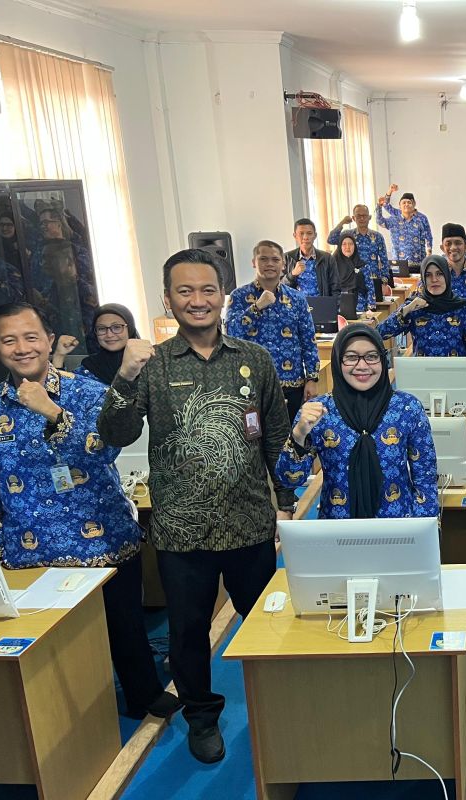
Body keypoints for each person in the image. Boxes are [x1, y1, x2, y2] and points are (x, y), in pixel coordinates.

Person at [97, 249, 295, 764]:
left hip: (249, 522)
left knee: (269, 619)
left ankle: (281, 701)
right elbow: (116, 434)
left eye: (207, 289)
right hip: (182, 532)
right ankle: (201, 716)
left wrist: (286, 500)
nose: (198, 300)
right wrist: (124, 377)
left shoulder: (255, 358)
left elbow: (275, 434)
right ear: (168, 299)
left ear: (223, 295)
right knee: (187, 633)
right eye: (185, 291)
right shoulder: (152, 364)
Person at [0, 301, 179, 721]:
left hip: (103, 537)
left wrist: (52, 412)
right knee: (56, 651)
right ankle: (75, 721)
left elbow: (104, 452)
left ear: (49, 341)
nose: (22, 348)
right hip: (30, 549)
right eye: (9, 340)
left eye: (31, 337)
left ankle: (143, 692)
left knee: (126, 627)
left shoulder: (88, 392)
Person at [277, 324, 440, 518]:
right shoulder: (319, 411)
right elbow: (290, 480)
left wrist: (423, 529)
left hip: (398, 525)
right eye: (351, 357)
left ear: (382, 360)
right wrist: (298, 435)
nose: (362, 366)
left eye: (371, 356)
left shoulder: (407, 408)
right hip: (338, 528)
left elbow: (425, 479)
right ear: (338, 361)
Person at [225, 240, 320, 423]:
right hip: (252, 384)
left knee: (292, 434)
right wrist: (256, 307)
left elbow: (308, 340)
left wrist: (312, 379)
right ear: (254, 262)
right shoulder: (239, 296)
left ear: (283, 264)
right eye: (263, 259)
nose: (269, 264)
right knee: (255, 435)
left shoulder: (297, 298)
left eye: (275, 260)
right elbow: (231, 335)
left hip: (291, 382)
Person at [374, 255, 466, 357]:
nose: (434, 279)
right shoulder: (415, 306)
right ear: (423, 279)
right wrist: (407, 309)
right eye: (428, 275)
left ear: (447, 276)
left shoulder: (464, 308)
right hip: (421, 368)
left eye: (439, 274)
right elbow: (379, 334)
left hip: (456, 369)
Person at [52, 303, 140, 385]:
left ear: (130, 329)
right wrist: (59, 355)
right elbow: (62, 391)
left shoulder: (144, 362)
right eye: (101, 329)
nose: (109, 335)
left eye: (117, 327)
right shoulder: (89, 367)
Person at [326, 204, 392, 286]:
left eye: (364, 216)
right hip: (351, 282)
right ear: (354, 218)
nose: (362, 218)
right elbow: (331, 240)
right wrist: (342, 223)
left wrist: (384, 282)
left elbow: (384, 261)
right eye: (358, 216)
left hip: (373, 281)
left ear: (369, 217)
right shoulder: (347, 235)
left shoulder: (378, 237)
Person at [283, 219, 341, 297]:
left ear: (315, 235)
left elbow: (335, 288)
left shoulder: (327, 258)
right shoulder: (287, 258)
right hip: (296, 303)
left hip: (322, 302)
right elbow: (278, 286)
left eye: (309, 233)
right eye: (301, 233)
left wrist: (333, 304)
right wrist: (292, 274)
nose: (305, 237)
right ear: (295, 236)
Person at [376, 185, 432, 264]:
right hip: (399, 261)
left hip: (418, 261)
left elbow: (428, 237)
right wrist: (388, 193)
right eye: (404, 203)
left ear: (414, 204)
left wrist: (428, 254)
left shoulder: (421, 219)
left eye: (409, 202)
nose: (406, 204)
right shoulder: (395, 218)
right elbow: (384, 209)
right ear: (399, 206)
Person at [332, 232, 377, 311]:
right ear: (340, 247)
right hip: (338, 307)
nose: (347, 247)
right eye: (344, 244)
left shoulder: (363, 266)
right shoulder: (333, 266)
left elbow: (370, 289)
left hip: (360, 307)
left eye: (351, 244)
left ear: (355, 246)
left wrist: (371, 309)